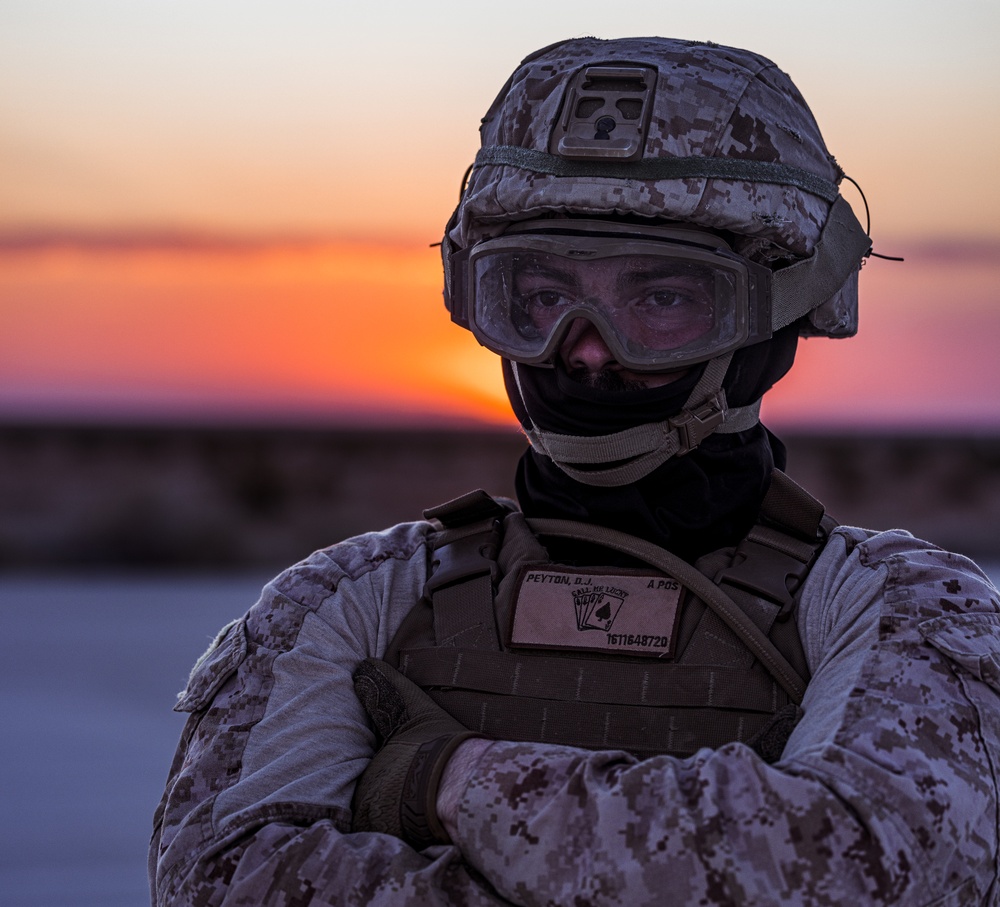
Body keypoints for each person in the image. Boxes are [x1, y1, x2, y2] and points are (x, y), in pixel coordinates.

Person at [149, 36, 1000, 905]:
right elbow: (218, 880)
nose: (586, 350)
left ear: (776, 313)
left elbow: (856, 868)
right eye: (541, 297)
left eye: (662, 299)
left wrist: (451, 780)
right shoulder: (346, 599)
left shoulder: (906, 608)